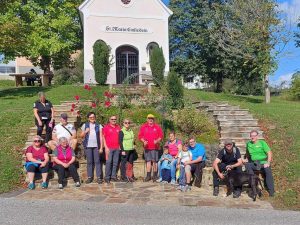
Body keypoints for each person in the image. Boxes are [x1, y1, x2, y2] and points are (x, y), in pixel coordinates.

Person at [244, 130, 275, 197]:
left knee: (268, 171)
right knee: (247, 165)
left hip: (263, 163)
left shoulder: (262, 143)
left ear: (257, 136)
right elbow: (247, 153)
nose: (253, 137)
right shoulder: (248, 144)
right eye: (251, 136)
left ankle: (271, 191)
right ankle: (253, 183)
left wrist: (268, 162)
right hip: (254, 163)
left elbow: (269, 152)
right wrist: (247, 159)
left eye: (254, 135)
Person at [138, 114, 163, 182]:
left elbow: (161, 136)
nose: (150, 120)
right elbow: (140, 136)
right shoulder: (143, 127)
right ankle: (148, 176)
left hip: (155, 147)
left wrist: (157, 141)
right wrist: (143, 141)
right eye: (149, 118)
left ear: (153, 119)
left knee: (154, 161)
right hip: (147, 147)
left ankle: (154, 176)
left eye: (152, 118)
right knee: (148, 161)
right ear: (147, 119)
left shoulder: (157, 127)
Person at [80, 112, 103, 184]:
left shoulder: (99, 125)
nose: (92, 118)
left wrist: (101, 147)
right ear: (88, 118)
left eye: (93, 117)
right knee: (89, 162)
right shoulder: (85, 125)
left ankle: (99, 177)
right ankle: (90, 177)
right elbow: (81, 136)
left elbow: (101, 137)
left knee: (97, 162)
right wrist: (85, 131)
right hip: (88, 146)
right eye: (90, 117)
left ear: (95, 117)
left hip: (96, 146)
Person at [103, 115, 121, 183]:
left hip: (117, 148)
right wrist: (106, 147)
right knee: (108, 162)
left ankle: (113, 176)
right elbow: (103, 137)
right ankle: (107, 177)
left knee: (115, 163)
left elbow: (120, 138)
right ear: (109, 120)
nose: (114, 120)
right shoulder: (106, 127)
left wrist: (120, 146)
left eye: (115, 119)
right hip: (109, 148)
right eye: (112, 119)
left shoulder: (118, 127)